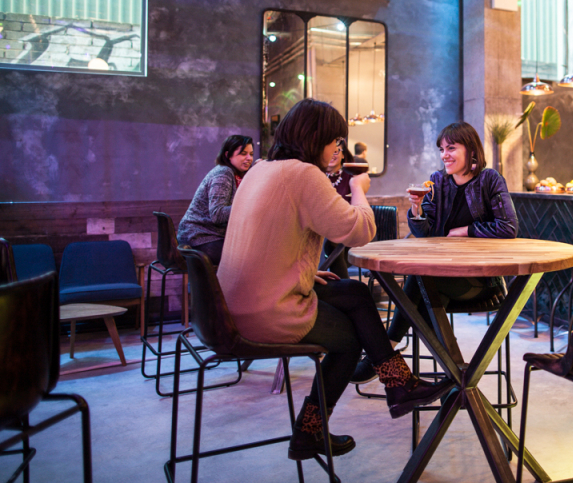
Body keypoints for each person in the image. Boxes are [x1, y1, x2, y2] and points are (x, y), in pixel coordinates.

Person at [216, 99, 452, 462]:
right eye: (335, 141)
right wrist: (359, 188)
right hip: (266, 311)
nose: (337, 149)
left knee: (354, 292)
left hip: (230, 307)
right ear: (316, 139)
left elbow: (265, 238)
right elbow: (360, 231)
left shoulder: (261, 170)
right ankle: (310, 431)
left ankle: (398, 384)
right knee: (350, 338)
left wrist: (305, 271)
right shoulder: (303, 174)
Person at [350, 121, 517, 384]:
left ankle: (384, 353)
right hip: (440, 278)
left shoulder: (489, 179)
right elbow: (425, 233)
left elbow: (508, 227)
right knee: (424, 290)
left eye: (451, 148)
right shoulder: (438, 182)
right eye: (441, 149)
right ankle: (457, 375)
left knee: (420, 283)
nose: (444, 155)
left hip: (481, 281)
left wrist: (465, 231)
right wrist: (416, 209)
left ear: (471, 150)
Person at [177, 135, 254, 265]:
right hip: (199, 238)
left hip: (206, 236)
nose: (249, 158)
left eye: (251, 154)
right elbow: (217, 214)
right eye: (243, 153)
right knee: (249, 258)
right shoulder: (224, 173)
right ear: (228, 155)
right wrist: (248, 207)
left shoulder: (235, 175)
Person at [322, 143, 358, 279]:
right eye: (328, 150)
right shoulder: (315, 176)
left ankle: (340, 285)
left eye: (336, 151)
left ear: (343, 155)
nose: (332, 154)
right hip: (321, 229)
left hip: (348, 229)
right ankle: (342, 285)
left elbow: (357, 206)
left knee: (332, 243)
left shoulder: (352, 177)